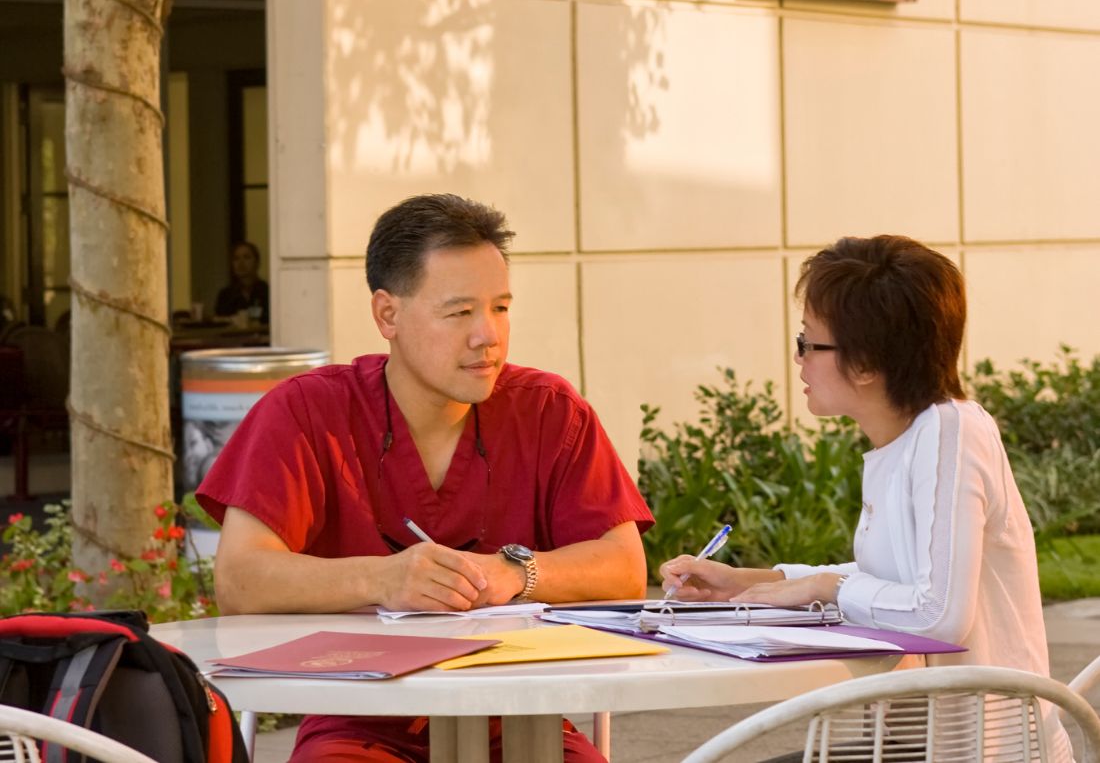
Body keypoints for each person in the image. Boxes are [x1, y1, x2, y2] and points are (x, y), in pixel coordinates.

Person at [197, 193, 652, 763]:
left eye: (501, 308)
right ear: (387, 314)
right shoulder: (307, 412)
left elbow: (625, 567)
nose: (487, 335)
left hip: (520, 720)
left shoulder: (548, 410)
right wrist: (384, 579)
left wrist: (516, 570)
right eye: (460, 312)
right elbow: (240, 579)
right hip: (357, 717)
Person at [660, 235, 1072, 762]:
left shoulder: (950, 430)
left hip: (988, 750)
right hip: (917, 744)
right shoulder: (903, 442)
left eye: (810, 343)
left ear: (869, 363)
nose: (798, 358)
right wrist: (753, 583)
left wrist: (826, 586)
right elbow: (901, 579)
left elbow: (937, 614)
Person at [213, 240, 270, 324]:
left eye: (246, 257)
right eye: (236, 259)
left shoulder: (267, 292)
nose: (241, 263)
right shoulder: (225, 295)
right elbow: (219, 322)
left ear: (257, 262)